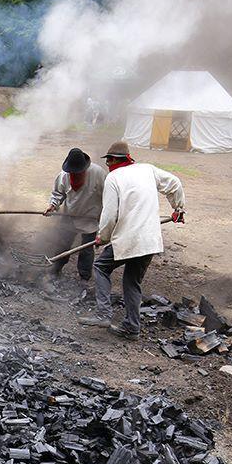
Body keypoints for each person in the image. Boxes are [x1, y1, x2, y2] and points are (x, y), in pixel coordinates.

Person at [78, 141, 185, 339]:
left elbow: (109, 214)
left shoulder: (113, 178)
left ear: (112, 160)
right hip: (150, 239)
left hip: (129, 238)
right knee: (131, 282)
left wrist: (103, 236)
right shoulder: (147, 170)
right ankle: (132, 328)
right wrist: (178, 209)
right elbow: (175, 183)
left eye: (108, 160)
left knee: (101, 267)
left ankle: (103, 314)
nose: (108, 164)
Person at [45, 148, 107, 283]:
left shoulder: (98, 174)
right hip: (69, 217)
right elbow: (58, 193)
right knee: (62, 244)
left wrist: (104, 216)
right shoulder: (64, 175)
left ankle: (84, 277)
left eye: (78, 172)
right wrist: (53, 205)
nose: (74, 174)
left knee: (86, 250)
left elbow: (108, 196)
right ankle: (55, 270)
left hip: (90, 218)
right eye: (72, 172)